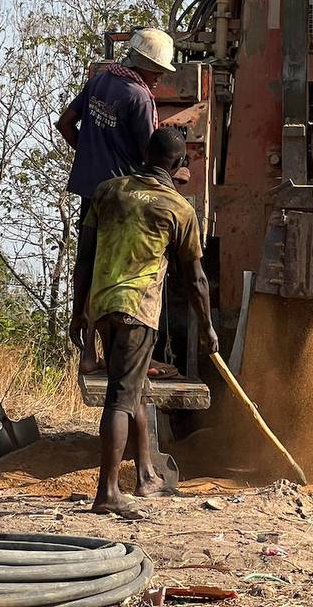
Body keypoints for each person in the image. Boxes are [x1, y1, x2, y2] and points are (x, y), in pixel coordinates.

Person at [70, 125, 218, 517]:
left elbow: (84, 259)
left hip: (103, 306)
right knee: (121, 396)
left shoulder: (107, 191)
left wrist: (78, 312)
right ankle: (108, 492)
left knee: (135, 385)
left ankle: (147, 474)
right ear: (178, 164)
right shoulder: (178, 209)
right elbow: (197, 280)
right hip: (138, 310)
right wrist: (207, 327)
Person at [58, 26, 176, 370]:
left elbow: (65, 123)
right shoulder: (139, 98)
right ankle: (128, 356)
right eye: (157, 71)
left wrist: (89, 156)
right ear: (145, 66)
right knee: (123, 275)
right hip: (124, 202)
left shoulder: (101, 81)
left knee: (88, 264)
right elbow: (151, 155)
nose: (158, 79)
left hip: (91, 190)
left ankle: (87, 351)